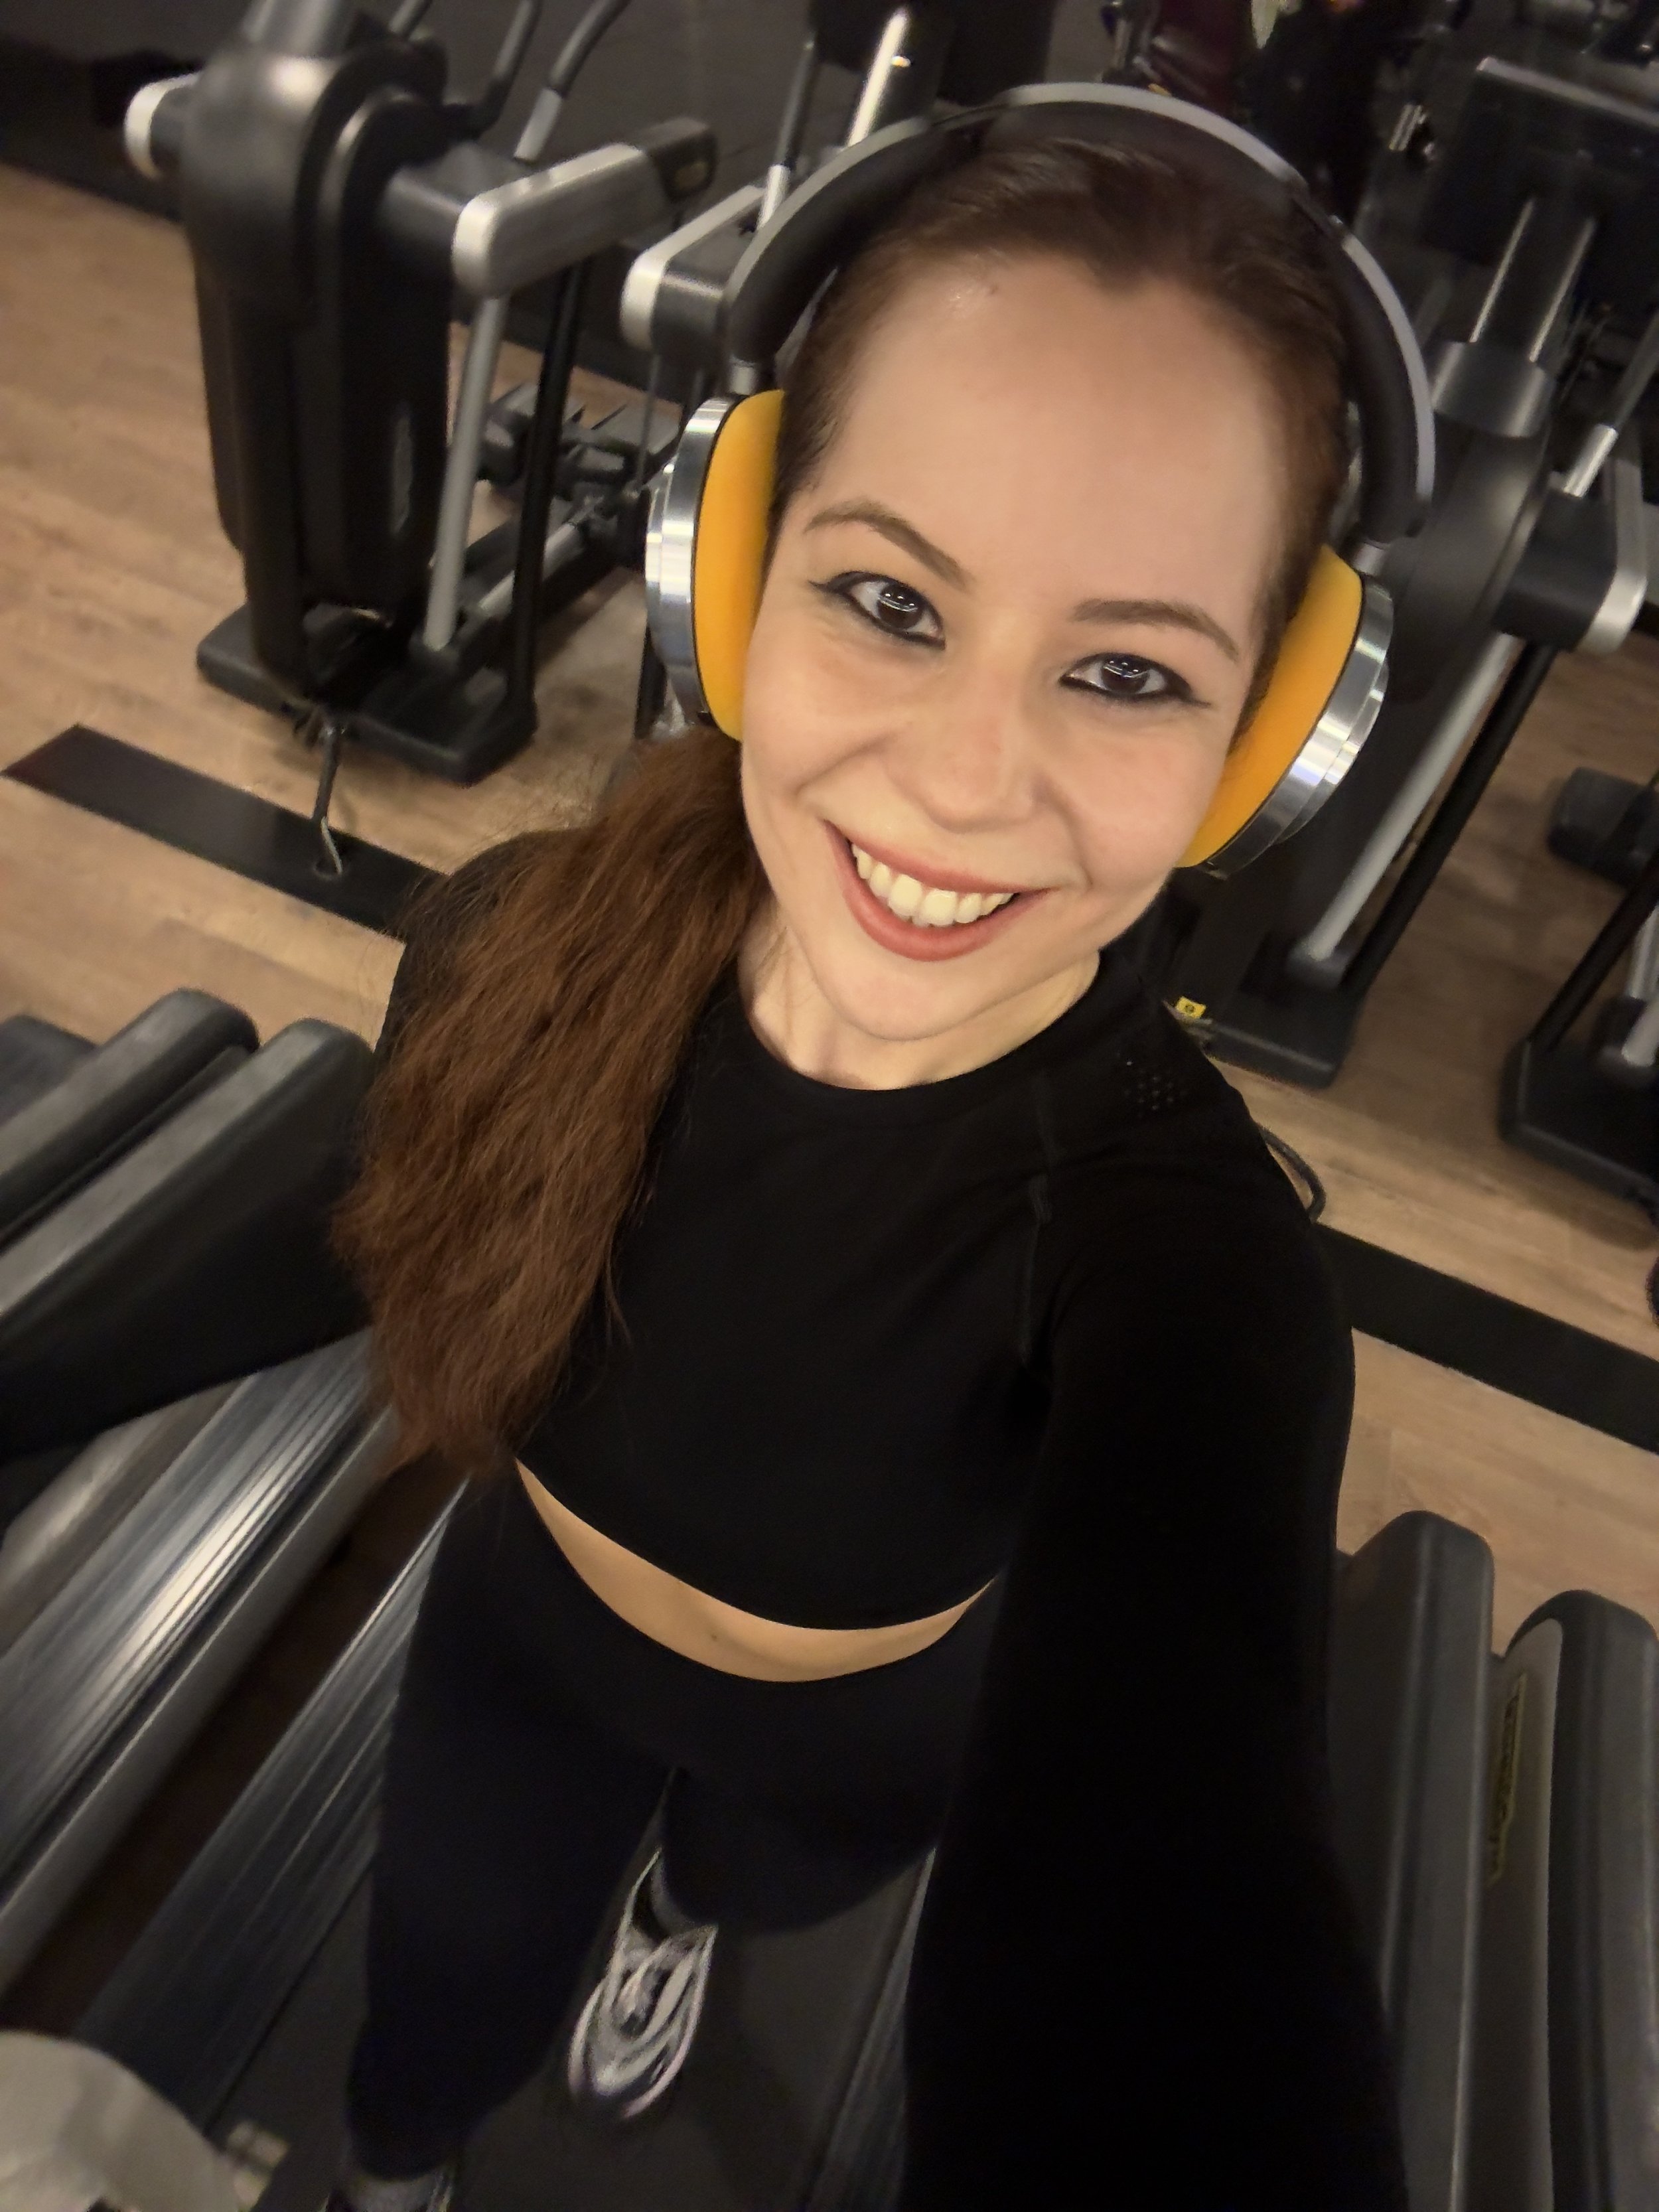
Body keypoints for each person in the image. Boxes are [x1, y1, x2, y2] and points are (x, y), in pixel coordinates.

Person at [0, 121, 1410, 2212]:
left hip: (871, 1741)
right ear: (733, 573)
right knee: (439, 2000)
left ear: (1264, 734)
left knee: (733, 1885)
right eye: (886, 598)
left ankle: (675, 1920)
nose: (959, 777)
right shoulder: (516, 938)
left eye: (1124, 672)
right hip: (525, 1629)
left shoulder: (1197, 1273)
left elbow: (1177, 1811)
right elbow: (342, 1230)